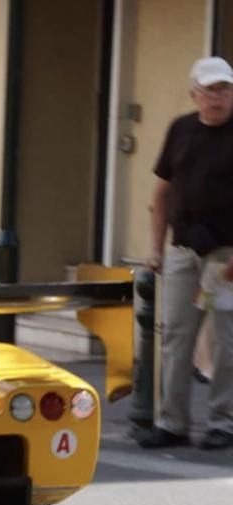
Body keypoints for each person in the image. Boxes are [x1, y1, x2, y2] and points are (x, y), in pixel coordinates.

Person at [138, 57, 233, 450]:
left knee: (227, 339)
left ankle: (224, 421)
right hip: (182, 250)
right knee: (176, 335)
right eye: (210, 90)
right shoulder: (180, 129)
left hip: (225, 255)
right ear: (195, 93)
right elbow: (161, 192)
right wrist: (154, 249)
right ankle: (171, 421)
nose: (219, 97)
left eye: (225, 89)